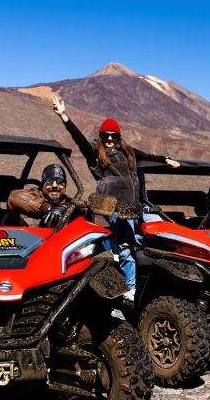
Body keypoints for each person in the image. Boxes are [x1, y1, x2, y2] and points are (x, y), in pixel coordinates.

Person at [51, 95, 179, 304]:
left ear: (118, 137)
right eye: (106, 136)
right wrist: (64, 117)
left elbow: (148, 156)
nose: (110, 139)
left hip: (133, 206)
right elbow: (79, 140)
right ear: (101, 137)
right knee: (126, 247)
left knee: (144, 238)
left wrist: (167, 160)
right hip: (115, 207)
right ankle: (128, 291)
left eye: (113, 136)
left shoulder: (127, 151)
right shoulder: (96, 153)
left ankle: (130, 278)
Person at [7, 164, 73, 228]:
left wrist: (66, 208)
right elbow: (14, 196)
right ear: (42, 185)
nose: (54, 186)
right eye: (49, 181)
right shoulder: (35, 194)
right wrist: (49, 208)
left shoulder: (69, 202)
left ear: (65, 185)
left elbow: (81, 207)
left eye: (59, 182)